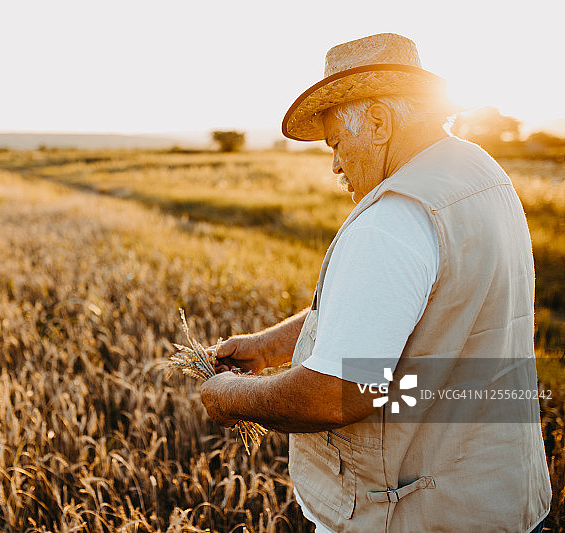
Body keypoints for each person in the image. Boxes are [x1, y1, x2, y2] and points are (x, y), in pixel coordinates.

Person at [199, 33, 551, 532]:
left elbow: (339, 393)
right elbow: (407, 307)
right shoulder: (480, 174)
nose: (336, 165)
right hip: (504, 500)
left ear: (381, 123)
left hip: (415, 515)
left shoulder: (390, 221)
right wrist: (269, 346)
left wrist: (230, 397)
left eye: (338, 143)